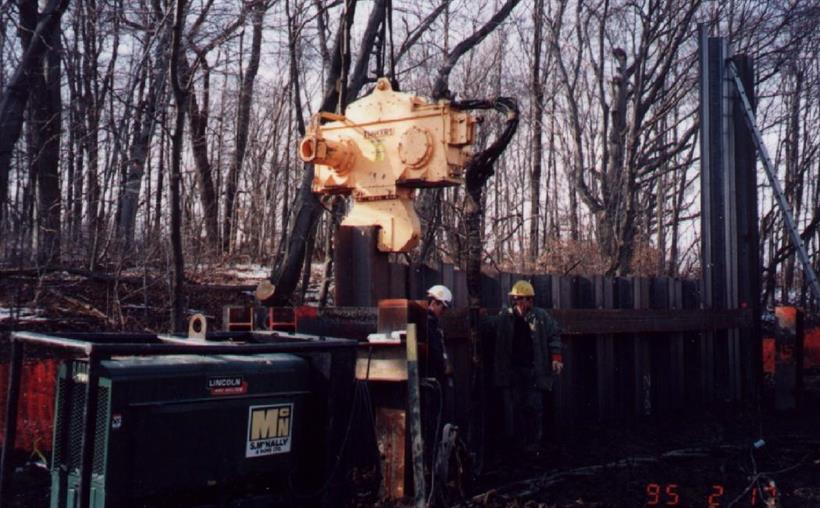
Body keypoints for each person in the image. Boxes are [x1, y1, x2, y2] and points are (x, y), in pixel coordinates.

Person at [493, 280, 563, 454]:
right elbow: (488, 325)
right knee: (517, 408)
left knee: (535, 407)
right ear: (515, 300)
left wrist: (556, 357)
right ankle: (520, 445)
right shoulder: (505, 318)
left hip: (535, 371)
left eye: (529, 299)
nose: (527, 303)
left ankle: (534, 446)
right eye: (522, 299)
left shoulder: (541, 317)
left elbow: (554, 334)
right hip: (514, 372)